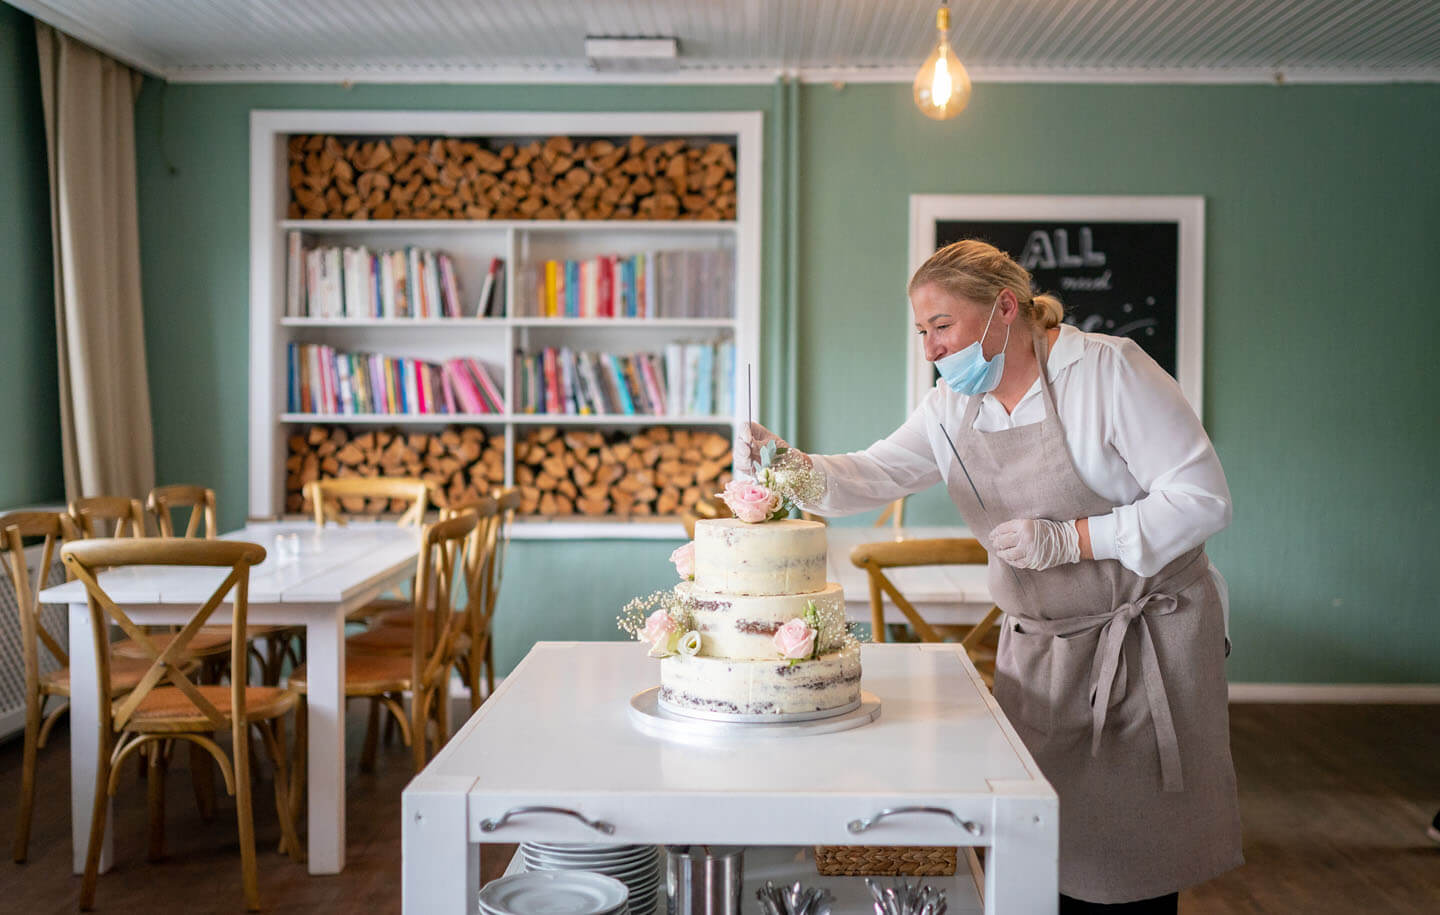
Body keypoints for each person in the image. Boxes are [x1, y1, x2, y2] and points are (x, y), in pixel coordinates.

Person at [737, 239, 1242, 912]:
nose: (931, 349)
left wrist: (1073, 539)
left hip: (1140, 647)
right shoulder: (951, 409)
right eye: (922, 331)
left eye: (942, 325)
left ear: (1006, 307)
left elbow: (1203, 497)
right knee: (1035, 846)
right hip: (1039, 654)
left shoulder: (1107, 373)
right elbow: (874, 472)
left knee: (1130, 860)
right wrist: (789, 464)